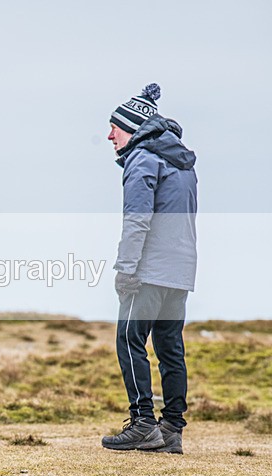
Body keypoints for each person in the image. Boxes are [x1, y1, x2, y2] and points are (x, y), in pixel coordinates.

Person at [102, 84, 197, 454]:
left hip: (149, 271)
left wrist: (125, 270)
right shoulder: (183, 162)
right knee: (170, 347)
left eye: (116, 127)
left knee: (128, 340)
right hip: (181, 270)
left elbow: (137, 220)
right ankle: (171, 429)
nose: (110, 135)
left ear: (136, 127)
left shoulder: (142, 159)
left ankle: (143, 423)